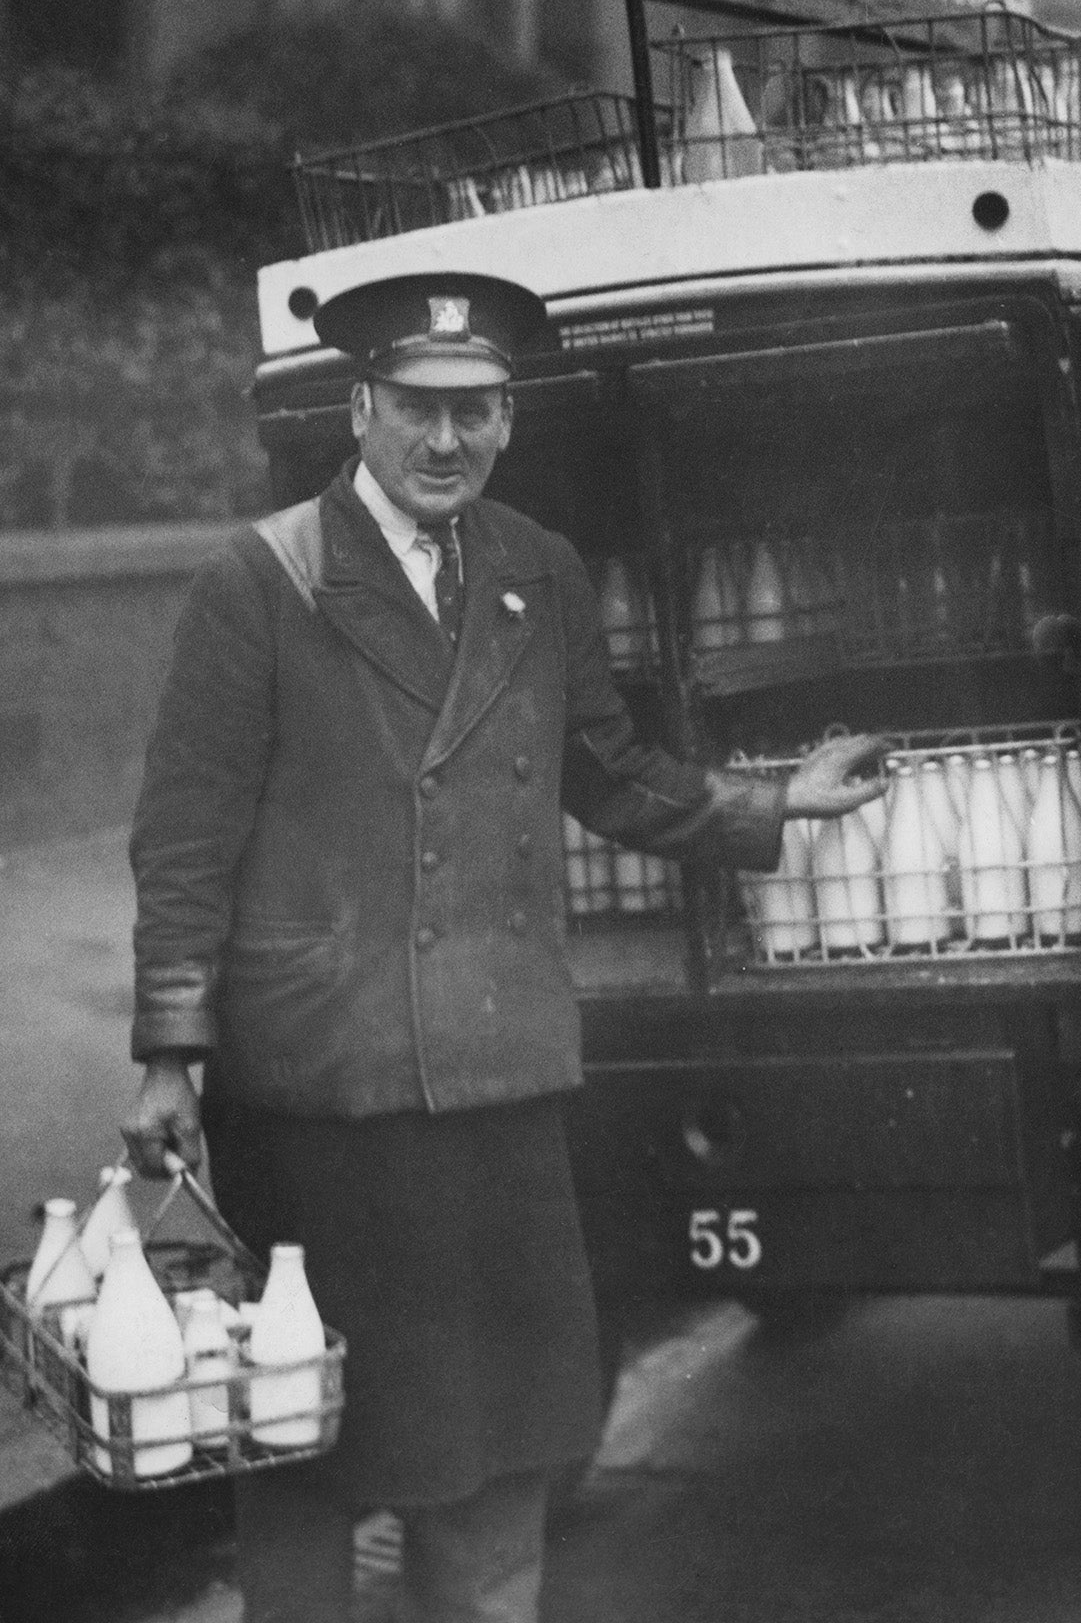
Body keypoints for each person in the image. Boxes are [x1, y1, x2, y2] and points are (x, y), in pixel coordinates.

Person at [122, 269, 884, 1623]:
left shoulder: (538, 570)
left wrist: (771, 803)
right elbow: (186, 841)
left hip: (503, 1080)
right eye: (418, 407)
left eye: (475, 411)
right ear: (360, 408)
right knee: (307, 1450)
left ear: (509, 420)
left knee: (502, 1453)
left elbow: (612, 773)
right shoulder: (259, 584)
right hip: (323, 1092)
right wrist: (172, 1057)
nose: (445, 441)